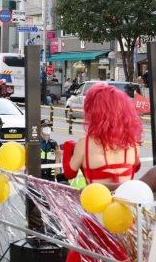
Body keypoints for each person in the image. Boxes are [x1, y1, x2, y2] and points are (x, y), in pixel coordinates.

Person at [63, 84, 143, 262]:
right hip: (125, 215)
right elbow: (136, 169)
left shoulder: (85, 144)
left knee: (90, 255)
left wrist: (68, 148)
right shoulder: (133, 144)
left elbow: (69, 173)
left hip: (96, 213)